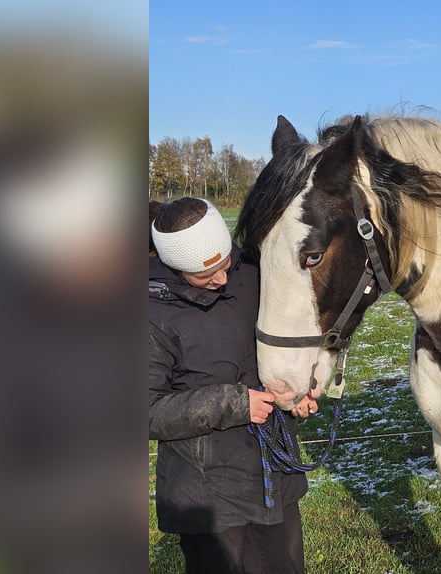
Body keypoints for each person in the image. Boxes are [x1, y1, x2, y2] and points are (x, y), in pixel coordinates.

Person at [148, 197, 317, 574]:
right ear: (174, 268)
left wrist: (297, 392)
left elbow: (281, 344)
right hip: (209, 494)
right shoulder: (150, 315)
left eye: (224, 263)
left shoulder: (254, 274)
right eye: (203, 275)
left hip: (274, 477)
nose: (222, 279)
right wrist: (234, 404)